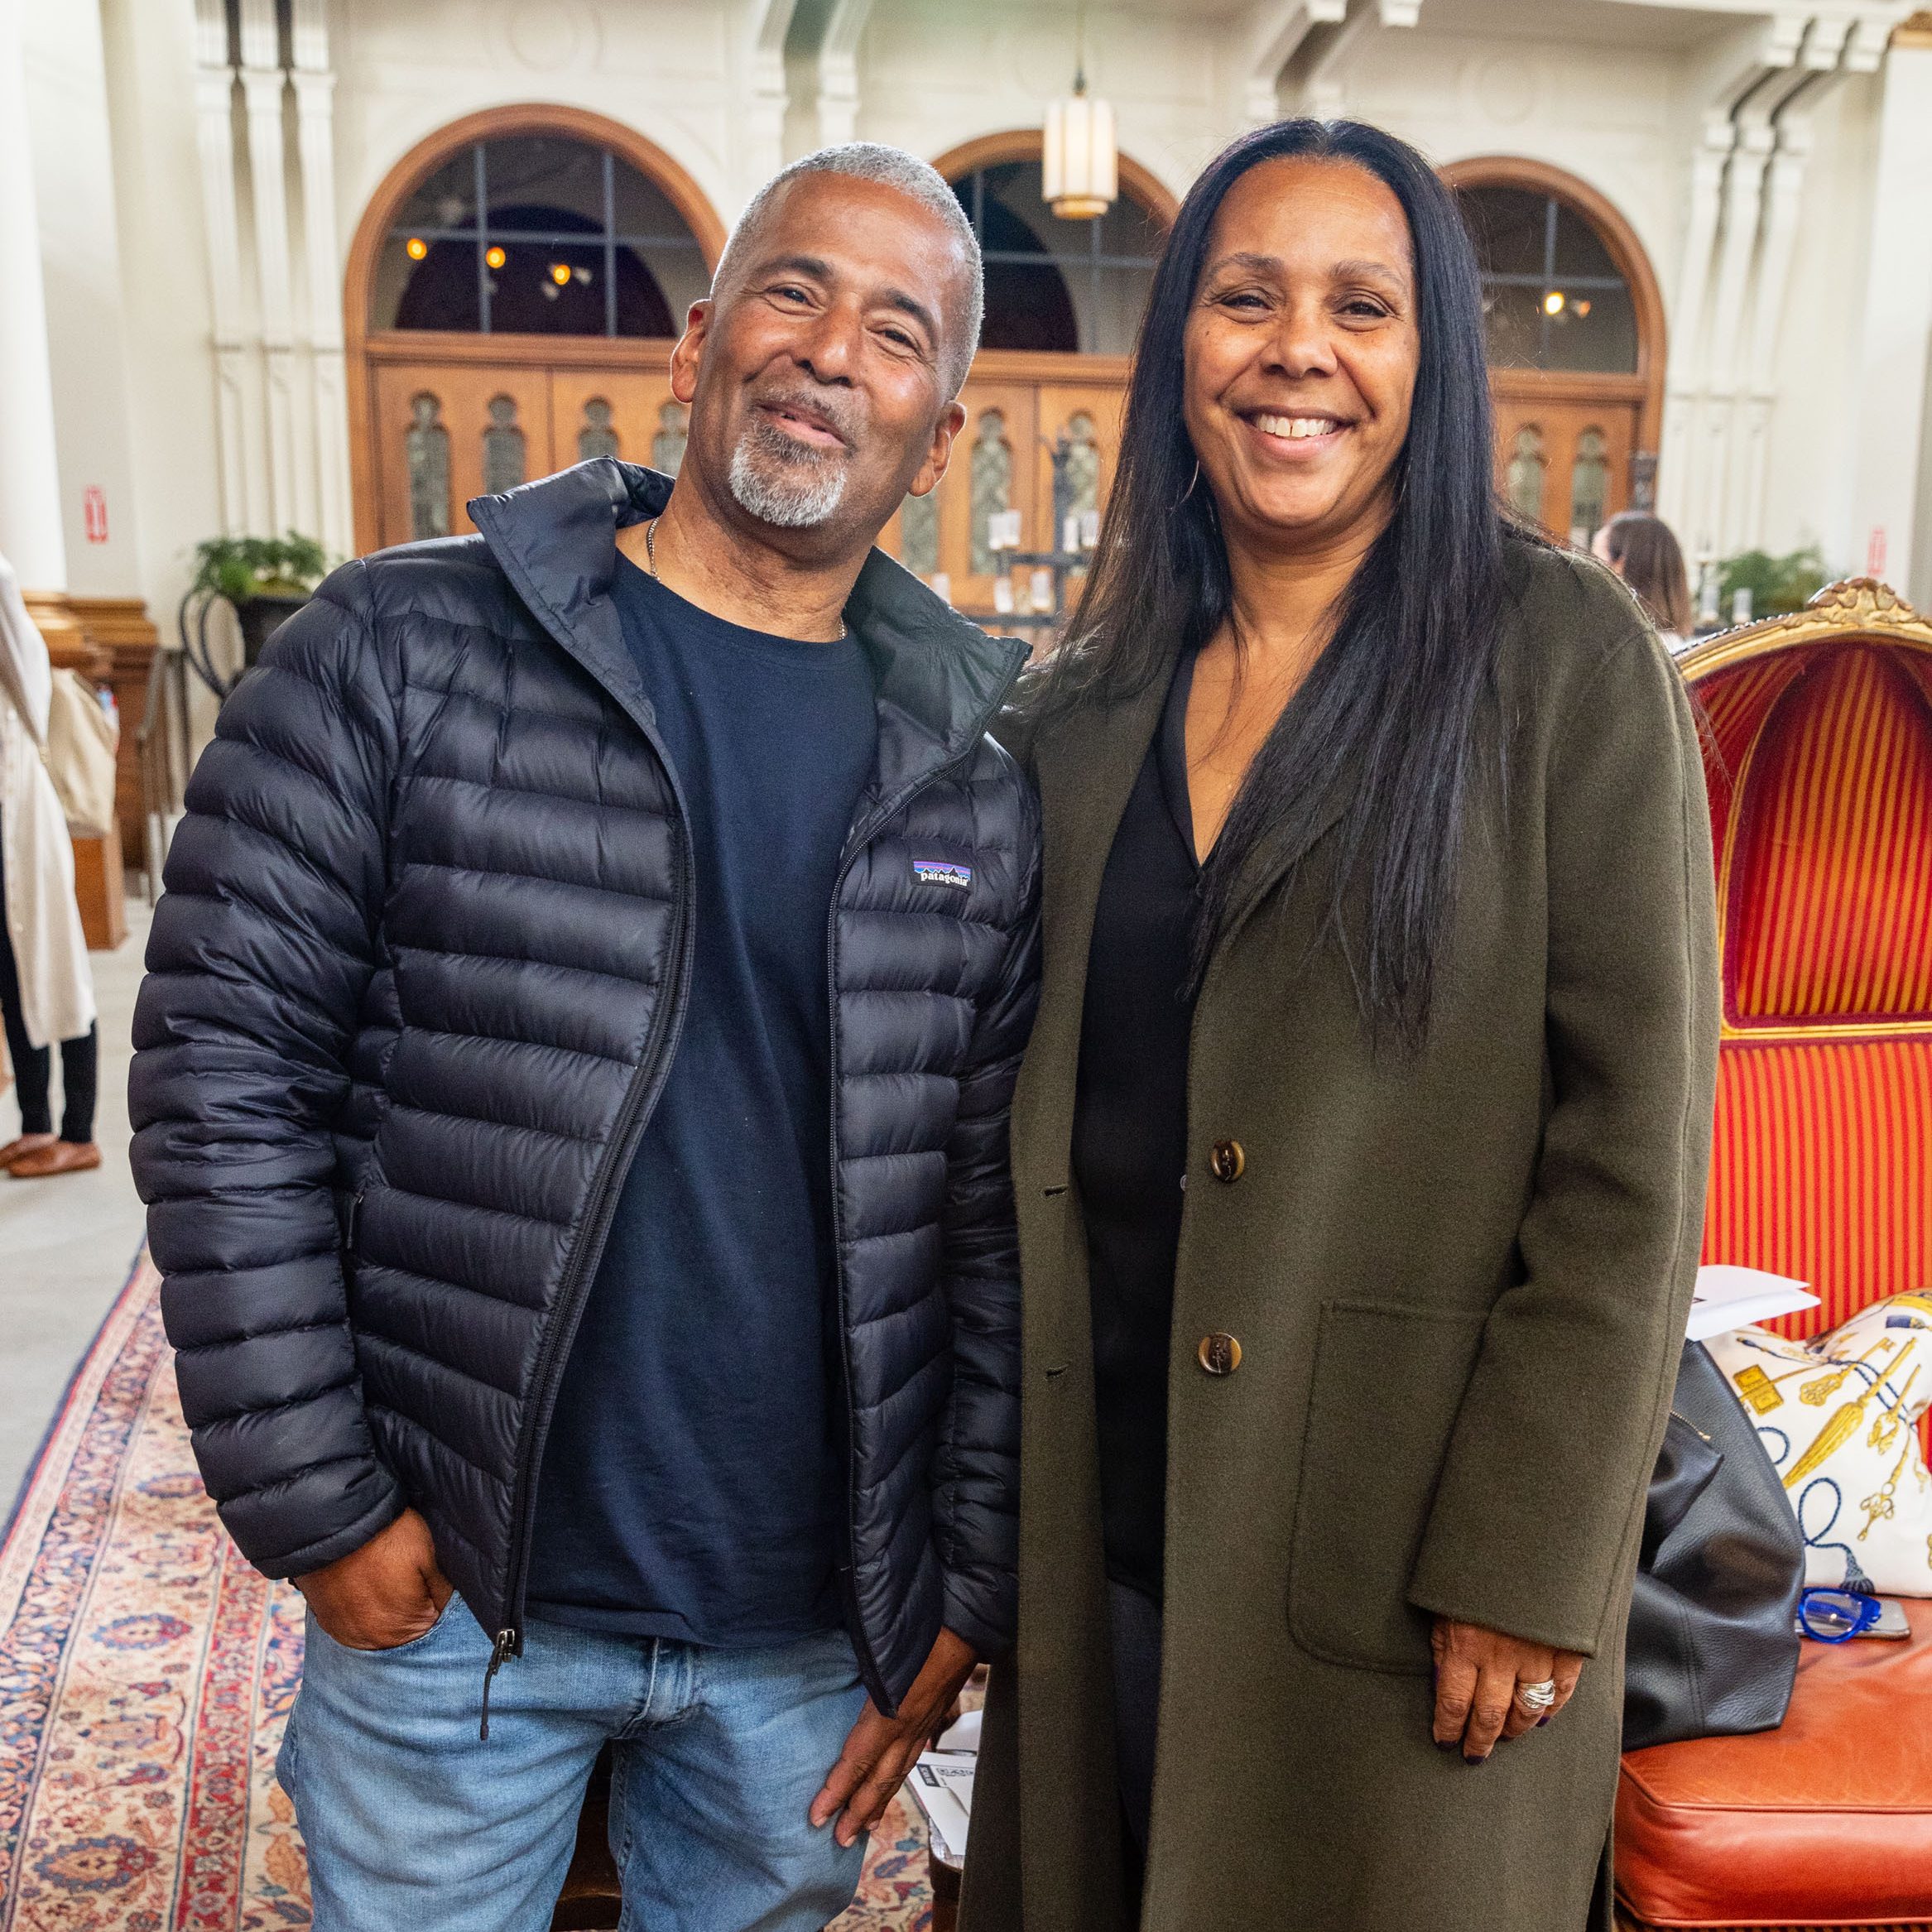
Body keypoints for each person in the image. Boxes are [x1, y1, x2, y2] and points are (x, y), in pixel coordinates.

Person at [129, 142, 1039, 1932]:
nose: (829, 351)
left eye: (896, 330)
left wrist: (969, 1584)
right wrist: (317, 1497)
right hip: (461, 1587)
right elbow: (223, 1073)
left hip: (801, 1633)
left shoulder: (980, 782)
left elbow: (996, 1217)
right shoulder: (399, 645)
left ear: (940, 439)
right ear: (697, 344)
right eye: (792, 291)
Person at [960, 119, 1718, 1932]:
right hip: (1111, 1547)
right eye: (1246, 297)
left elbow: (1636, 1161)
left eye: (1360, 306)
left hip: (1407, 1578)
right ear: (1184, 352)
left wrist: (1532, 1558)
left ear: (1429, 359)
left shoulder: (1560, 662)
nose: (1298, 348)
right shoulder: (1085, 702)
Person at [0, 552, 100, 1180]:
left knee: (53, 963)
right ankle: (36, 1121)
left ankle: (79, 1130)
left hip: (17, 803)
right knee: (12, 973)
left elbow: (33, 693)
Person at [1594, 509, 1694, 650]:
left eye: (1594, 554)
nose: (1588, 564)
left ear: (1619, 566)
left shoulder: (1619, 646)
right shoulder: (1674, 644)